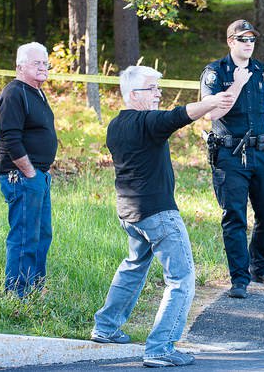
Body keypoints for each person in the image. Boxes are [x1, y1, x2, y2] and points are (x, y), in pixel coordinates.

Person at [91, 66, 233, 368]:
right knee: (181, 279)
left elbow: (174, 115)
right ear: (134, 95)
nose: (158, 93)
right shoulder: (146, 123)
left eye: (159, 88)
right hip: (157, 214)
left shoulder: (116, 124)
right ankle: (160, 348)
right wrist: (213, 101)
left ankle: (105, 327)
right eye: (152, 89)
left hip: (131, 213)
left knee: (132, 268)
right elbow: (180, 115)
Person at [200, 19, 264, 299]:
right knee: (235, 217)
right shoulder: (215, 72)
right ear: (231, 41)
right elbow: (212, 114)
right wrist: (238, 84)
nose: (248, 44)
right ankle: (239, 278)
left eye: (252, 40)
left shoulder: (263, 72)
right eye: (243, 39)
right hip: (230, 155)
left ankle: (260, 267)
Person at [0, 42, 57, 298]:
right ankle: (16, 296)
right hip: (21, 176)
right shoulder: (14, 93)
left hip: (39, 177)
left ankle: (33, 289)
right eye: (37, 63)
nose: (43, 67)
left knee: (41, 235)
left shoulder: (36, 92)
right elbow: (10, 138)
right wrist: (30, 172)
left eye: (45, 63)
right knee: (24, 237)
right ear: (20, 67)